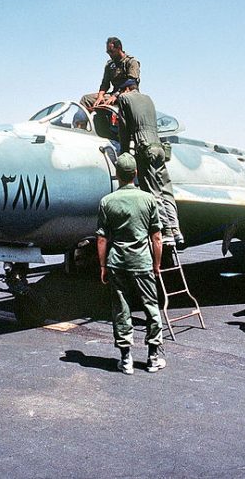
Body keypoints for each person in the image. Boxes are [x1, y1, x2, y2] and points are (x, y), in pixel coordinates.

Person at [96, 153, 166, 375]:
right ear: (135, 173)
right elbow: (157, 238)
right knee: (151, 307)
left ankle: (126, 360)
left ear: (117, 174)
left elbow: (101, 239)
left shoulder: (107, 201)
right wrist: (156, 265)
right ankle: (153, 358)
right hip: (142, 263)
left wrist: (103, 266)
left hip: (117, 263)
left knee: (121, 309)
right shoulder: (148, 199)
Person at [116, 84, 183, 245]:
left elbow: (124, 128)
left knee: (153, 192)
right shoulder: (148, 98)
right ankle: (176, 230)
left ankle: (166, 231)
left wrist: (124, 152)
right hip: (159, 147)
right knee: (166, 190)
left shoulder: (124, 98)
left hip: (144, 147)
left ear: (125, 89)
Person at [80, 36, 140, 110]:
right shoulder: (110, 65)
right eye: (108, 52)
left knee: (122, 97)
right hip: (114, 94)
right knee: (86, 99)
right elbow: (105, 83)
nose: (110, 54)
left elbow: (131, 82)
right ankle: (79, 122)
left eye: (112, 51)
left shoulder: (131, 62)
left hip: (129, 93)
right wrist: (100, 95)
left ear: (119, 48)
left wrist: (116, 95)